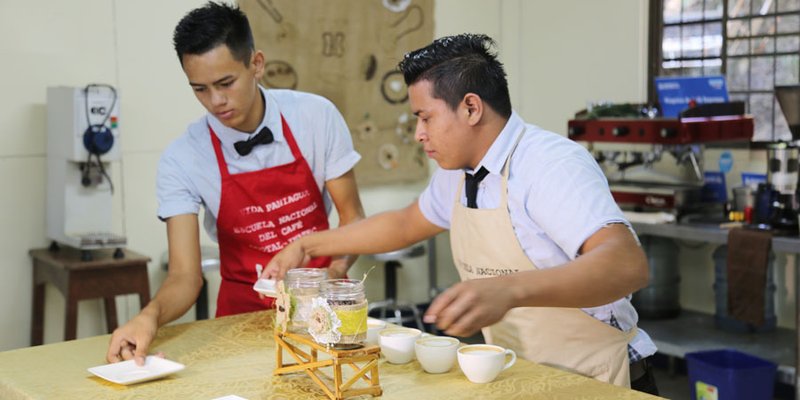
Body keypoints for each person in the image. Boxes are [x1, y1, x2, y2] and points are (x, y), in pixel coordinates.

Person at [264, 33, 659, 394]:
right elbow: (403, 224)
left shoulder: (549, 165)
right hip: (522, 377)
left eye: (425, 117)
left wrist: (510, 290)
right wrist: (307, 244)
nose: (419, 134)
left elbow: (626, 265)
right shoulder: (458, 173)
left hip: (597, 381)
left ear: (471, 107)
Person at [106, 2, 364, 365]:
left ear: (256, 64)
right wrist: (148, 316)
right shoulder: (184, 158)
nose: (216, 101)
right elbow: (185, 276)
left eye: (226, 83)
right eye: (200, 89)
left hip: (321, 315)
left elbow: (354, 220)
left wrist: (331, 275)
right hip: (240, 320)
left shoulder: (315, 117)